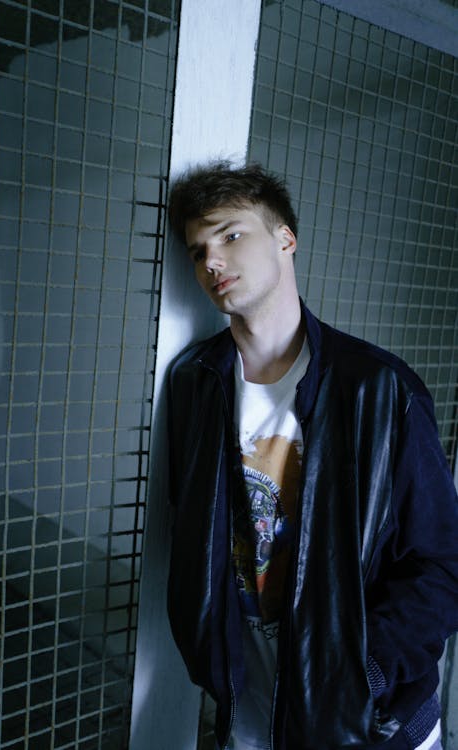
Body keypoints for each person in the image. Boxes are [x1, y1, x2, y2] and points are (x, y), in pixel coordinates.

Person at [165, 162, 458, 750]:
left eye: (230, 235)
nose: (213, 261)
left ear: (284, 239)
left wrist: (364, 670)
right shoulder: (195, 382)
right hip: (246, 706)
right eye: (198, 252)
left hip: (368, 719)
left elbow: (441, 564)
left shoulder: (380, 389)